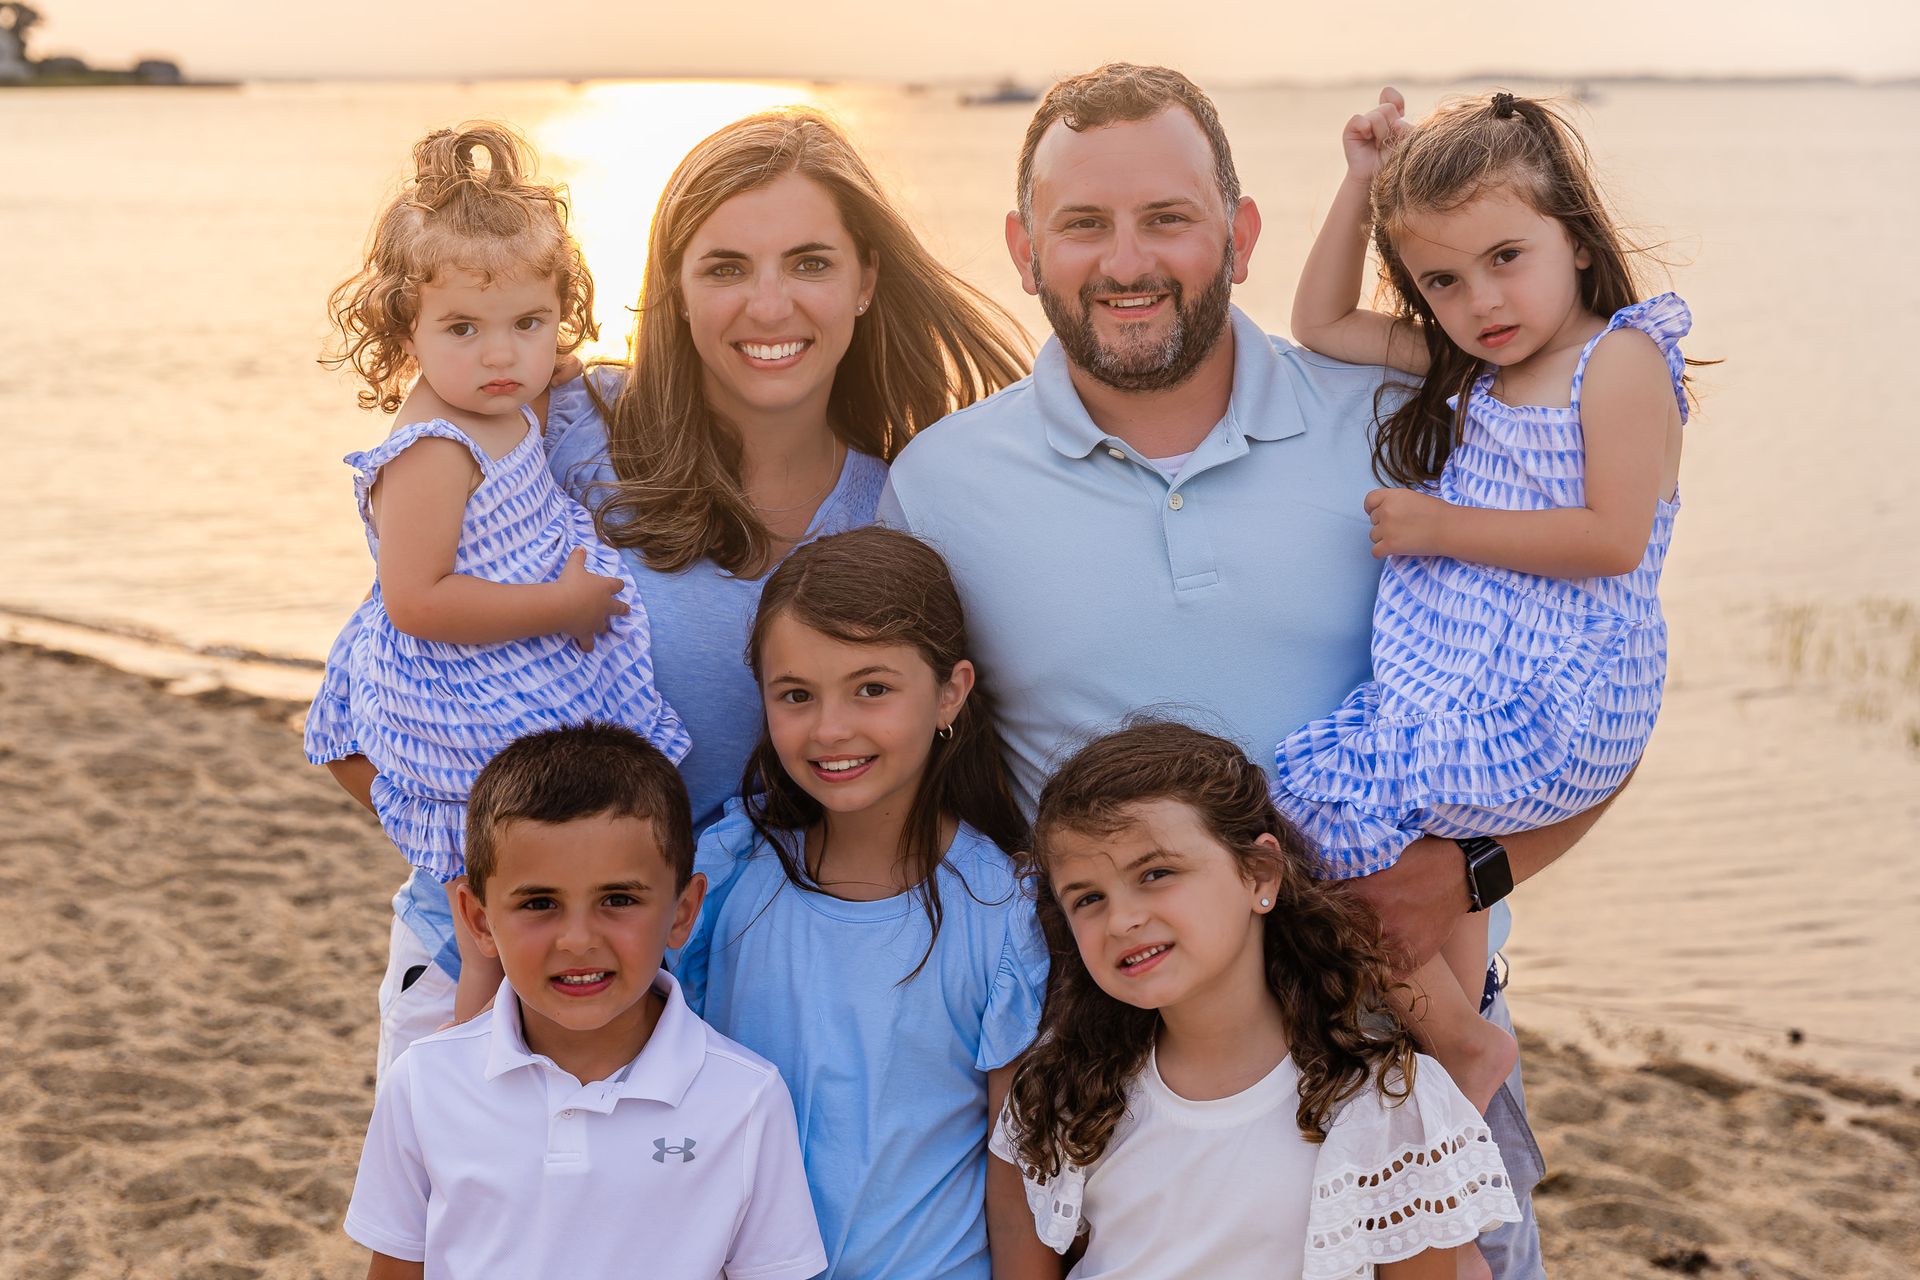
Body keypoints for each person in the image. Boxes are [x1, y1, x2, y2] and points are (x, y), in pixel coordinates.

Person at [880, 64, 1616, 1278]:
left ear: (1242, 231)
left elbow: (1595, 685)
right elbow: (926, 788)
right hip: (1128, 1085)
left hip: (1407, 1047)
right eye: (1084, 223)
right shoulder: (943, 486)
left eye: (1168, 217)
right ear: (1022, 246)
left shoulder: (1404, 415)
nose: (1128, 260)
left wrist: (1475, 869)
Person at [352, 110, 1031, 1073]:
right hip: (499, 959)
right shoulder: (571, 425)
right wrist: (475, 880)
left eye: (808, 262)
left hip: (723, 984)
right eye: (724, 267)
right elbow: (373, 672)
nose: (768, 305)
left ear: (866, 279)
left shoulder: (904, 512)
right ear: (671, 283)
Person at [1270, 89, 1694, 1124]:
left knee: (1320, 810)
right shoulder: (1480, 368)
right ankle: (1457, 1031)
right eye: (1443, 281)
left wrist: (1439, 526)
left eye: (1508, 257)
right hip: (1471, 688)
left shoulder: (1617, 360)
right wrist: (1362, 179)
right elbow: (1317, 322)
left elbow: (1612, 537)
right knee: (1378, 829)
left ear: (1578, 244)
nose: (1482, 301)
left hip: (1559, 691)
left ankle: (1463, 1041)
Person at [304, 123, 690, 1067]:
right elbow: (418, 602)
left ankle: (497, 1047)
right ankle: (473, 1065)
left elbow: (529, 364)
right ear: (406, 334)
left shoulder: (500, 394)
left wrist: (550, 361)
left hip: (504, 664)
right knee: (494, 900)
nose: (500, 355)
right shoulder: (435, 448)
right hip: (464, 686)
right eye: (463, 331)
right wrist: (562, 611)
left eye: (528, 323)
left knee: (524, 881)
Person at [991, 722, 1520, 1277]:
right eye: (1088, 898)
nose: (1122, 919)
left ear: (1260, 874)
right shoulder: (1057, 1094)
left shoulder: (1385, 1101)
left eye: (1156, 873)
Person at [671, 527, 1049, 1279]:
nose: (831, 729)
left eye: (872, 688)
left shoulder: (1002, 911)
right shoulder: (728, 869)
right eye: (796, 696)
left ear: (951, 693)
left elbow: (1018, 1186)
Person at [343, 723, 827, 1280]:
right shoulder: (425, 1082)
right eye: (540, 902)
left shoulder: (746, 1099)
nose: (578, 939)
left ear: (682, 911)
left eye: (618, 899)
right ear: (479, 919)